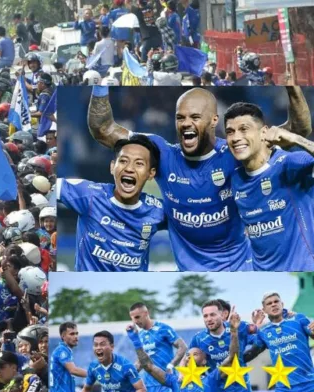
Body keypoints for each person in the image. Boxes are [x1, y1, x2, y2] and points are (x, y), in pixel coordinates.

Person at [87, 85, 311, 271]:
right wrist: (98, 84)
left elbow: (298, 130)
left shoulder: (235, 152)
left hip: (241, 269)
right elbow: (103, 129)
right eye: (180, 118)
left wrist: (291, 87)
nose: (186, 123)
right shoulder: (161, 153)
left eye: (195, 117)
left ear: (214, 121)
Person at [224, 101, 314, 271]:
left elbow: (302, 128)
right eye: (230, 132)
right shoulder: (234, 176)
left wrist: (296, 139)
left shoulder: (291, 163)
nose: (236, 138)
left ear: (263, 132)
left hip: (303, 270)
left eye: (244, 129)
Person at [55, 135, 166, 271]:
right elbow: (50, 185)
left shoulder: (158, 210)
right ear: (113, 167)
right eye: (124, 161)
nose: (129, 168)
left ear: (151, 173)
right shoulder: (90, 195)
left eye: (139, 163)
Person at [248, 292, 314, 392]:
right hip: (284, 388)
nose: (273, 305)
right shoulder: (264, 331)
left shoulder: (298, 319)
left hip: (308, 383)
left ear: (282, 304)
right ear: (264, 310)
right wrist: (255, 328)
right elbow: (250, 353)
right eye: (269, 303)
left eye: (276, 301)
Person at [128, 302, 186, 392]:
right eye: (132, 318)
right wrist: (128, 374)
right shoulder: (140, 336)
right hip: (148, 387)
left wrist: (172, 364)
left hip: (165, 385)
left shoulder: (163, 329)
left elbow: (182, 347)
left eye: (137, 317)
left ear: (146, 313)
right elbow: (140, 362)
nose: (135, 321)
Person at [189, 299, 255, 392]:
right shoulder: (198, 339)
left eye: (213, 315)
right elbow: (189, 363)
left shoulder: (239, 326)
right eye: (205, 316)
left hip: (241, 389)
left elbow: (262, 339)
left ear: (222, 315)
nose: (209, 319)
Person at [49, 322, 90, 392]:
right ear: (63, 336)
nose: (76, 336)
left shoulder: (63, 350)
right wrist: (93, 374)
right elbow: (74, 370)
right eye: (72, 334)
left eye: (77, 333)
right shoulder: (62, 350)